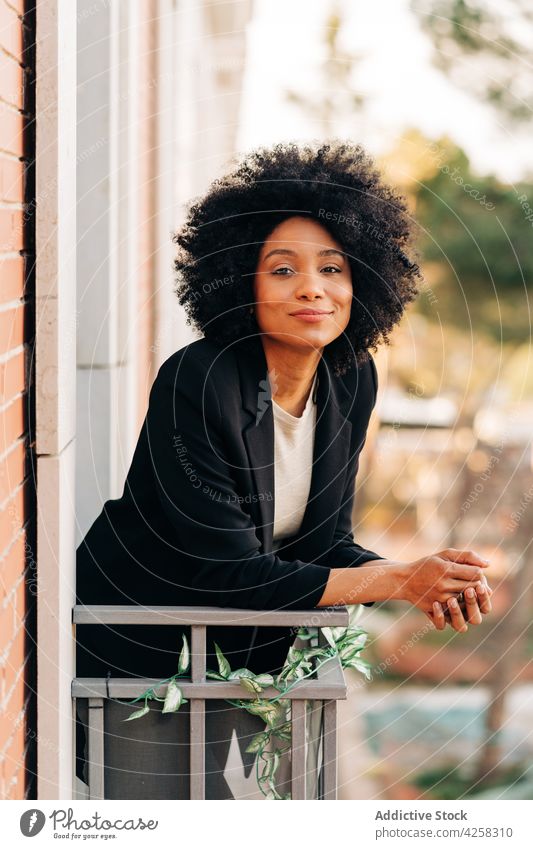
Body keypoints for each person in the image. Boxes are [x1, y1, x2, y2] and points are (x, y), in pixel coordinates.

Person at [75, 141, 492, 799]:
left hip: (246, 651)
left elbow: (324, 541)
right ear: (241, 278)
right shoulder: (197, 380)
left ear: (363, 280)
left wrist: (422, 578)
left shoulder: (350, 381)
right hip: (143, 650)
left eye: (332, 267)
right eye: (281, 269)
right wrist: (394, 578)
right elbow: (222, 571)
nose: (311, 287)